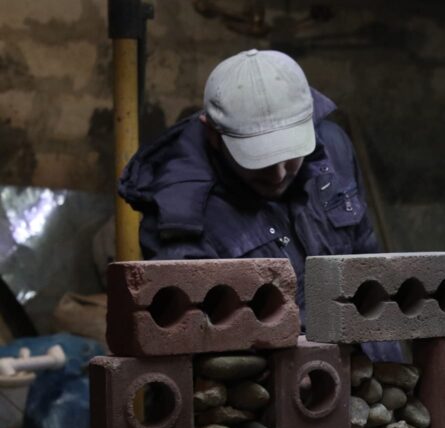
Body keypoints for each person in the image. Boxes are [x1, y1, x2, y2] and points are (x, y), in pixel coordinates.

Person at [119, 49, 399, 360]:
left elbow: (368, 261)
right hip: (282, 393)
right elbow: (198, 351)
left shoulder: (332, 149)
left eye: (290, 152)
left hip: (374, 377)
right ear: (213, 134)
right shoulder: (182, 216)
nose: (279, 174)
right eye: (259, 158)